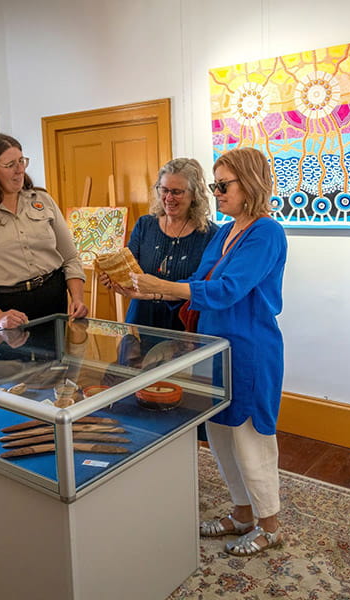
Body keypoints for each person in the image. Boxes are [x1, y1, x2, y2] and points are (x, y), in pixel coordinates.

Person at [131, 146, 287, 557]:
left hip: (249, 349)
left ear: (250, 183)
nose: (216, 192)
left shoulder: (267, 232)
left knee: (249, 437)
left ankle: (269, 524)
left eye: (223, 185)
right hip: (213, 347)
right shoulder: (225, 230)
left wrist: (161, 285)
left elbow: (227, 289)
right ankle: (241, 515)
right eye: (215, 185)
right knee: (219, 434)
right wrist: (150, 289)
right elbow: (198, 286)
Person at [0, 133, 88, 335]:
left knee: (56, 366)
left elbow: (70, 257)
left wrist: (77, 298)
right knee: (9, 366)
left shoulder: (42, 199)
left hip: (51, 301)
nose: (20, 170)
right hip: (3, 309)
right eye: (10, 165)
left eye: (22, 161)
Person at [100, 158, 219, 331]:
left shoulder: (210, 235)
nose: (169, 198)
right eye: (164, 190)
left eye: (177, 192)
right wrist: (114, 278)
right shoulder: (145, 225)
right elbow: (130, 273)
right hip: (140, 323)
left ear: (194, 194)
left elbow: (204, 288)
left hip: (185, 328)